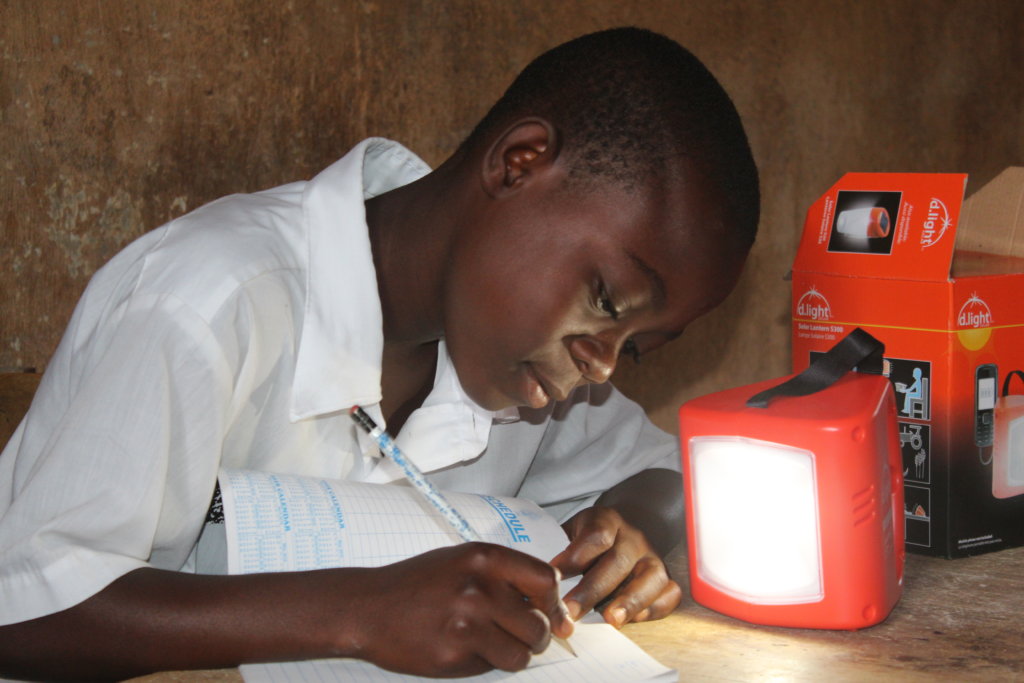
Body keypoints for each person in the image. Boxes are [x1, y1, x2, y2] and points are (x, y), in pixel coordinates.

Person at [0, 26, 758, 680]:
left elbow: (670, 472)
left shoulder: (525, 371)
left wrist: (636, 522)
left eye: (638, 348)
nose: (601, 364)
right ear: (519, 163)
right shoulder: (208, 301)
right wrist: (358, 611)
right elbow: (26, 606)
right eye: (607, 300)